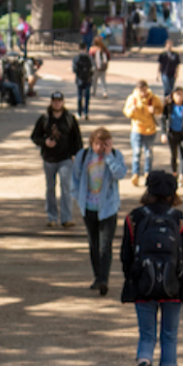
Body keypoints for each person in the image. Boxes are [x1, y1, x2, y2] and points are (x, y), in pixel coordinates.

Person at [120, 170, 183, 366]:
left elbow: (125, 253)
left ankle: (144, 358)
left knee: (146, 331)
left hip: (144, 281)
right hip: (173, 283)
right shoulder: (182, 220)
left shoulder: (134, 218)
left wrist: (131, 277)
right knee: (170, 332)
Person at [70, 127, 127, 296]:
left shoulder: (115, 156)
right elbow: (75, 177)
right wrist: (77, 198)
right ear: (91, 143)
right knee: (93, 244)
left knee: (105, 244)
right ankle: (97, 276)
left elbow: (120, 174)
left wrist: (108, 155)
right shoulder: (83, 156)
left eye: (103, 144)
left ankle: (104, 279)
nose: (99, 148)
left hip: (108, 207)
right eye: (97, 144)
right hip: (88, 206)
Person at [31, 91, 82, 228]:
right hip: (49, 158)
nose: (57, 103)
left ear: (63, 102)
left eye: (59, 101)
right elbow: (35, 136)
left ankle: (67, 218)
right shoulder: (45, 119)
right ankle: (51, 217)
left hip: (65, 158)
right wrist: (44, 142)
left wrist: (77, 156)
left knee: (66, 188)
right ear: (51, 102)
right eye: (54, 101)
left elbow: (77, 139)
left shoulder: (69, 119)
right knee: (50, 188)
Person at [123, 79, 165, 187]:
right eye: (141, 91)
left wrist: (154, 110)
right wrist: (132, 110)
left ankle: (147, 174)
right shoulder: (133, 98)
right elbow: (126, 112)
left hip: (150, 130)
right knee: (136, 153)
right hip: (137, 129)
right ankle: (135, 174)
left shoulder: (153, 98)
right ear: (137, 90)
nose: (143, 93)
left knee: (148, 154)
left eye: (145, 90)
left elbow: (161, 109)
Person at [72, 42, 94, 119]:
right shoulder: (89, 58)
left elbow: (74, 69)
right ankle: (86, 112)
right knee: (87, 96)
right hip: (88, 79)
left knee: (79, 96)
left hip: (79, 80)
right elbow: (92, 68)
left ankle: (79, 112)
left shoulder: (76, 58)